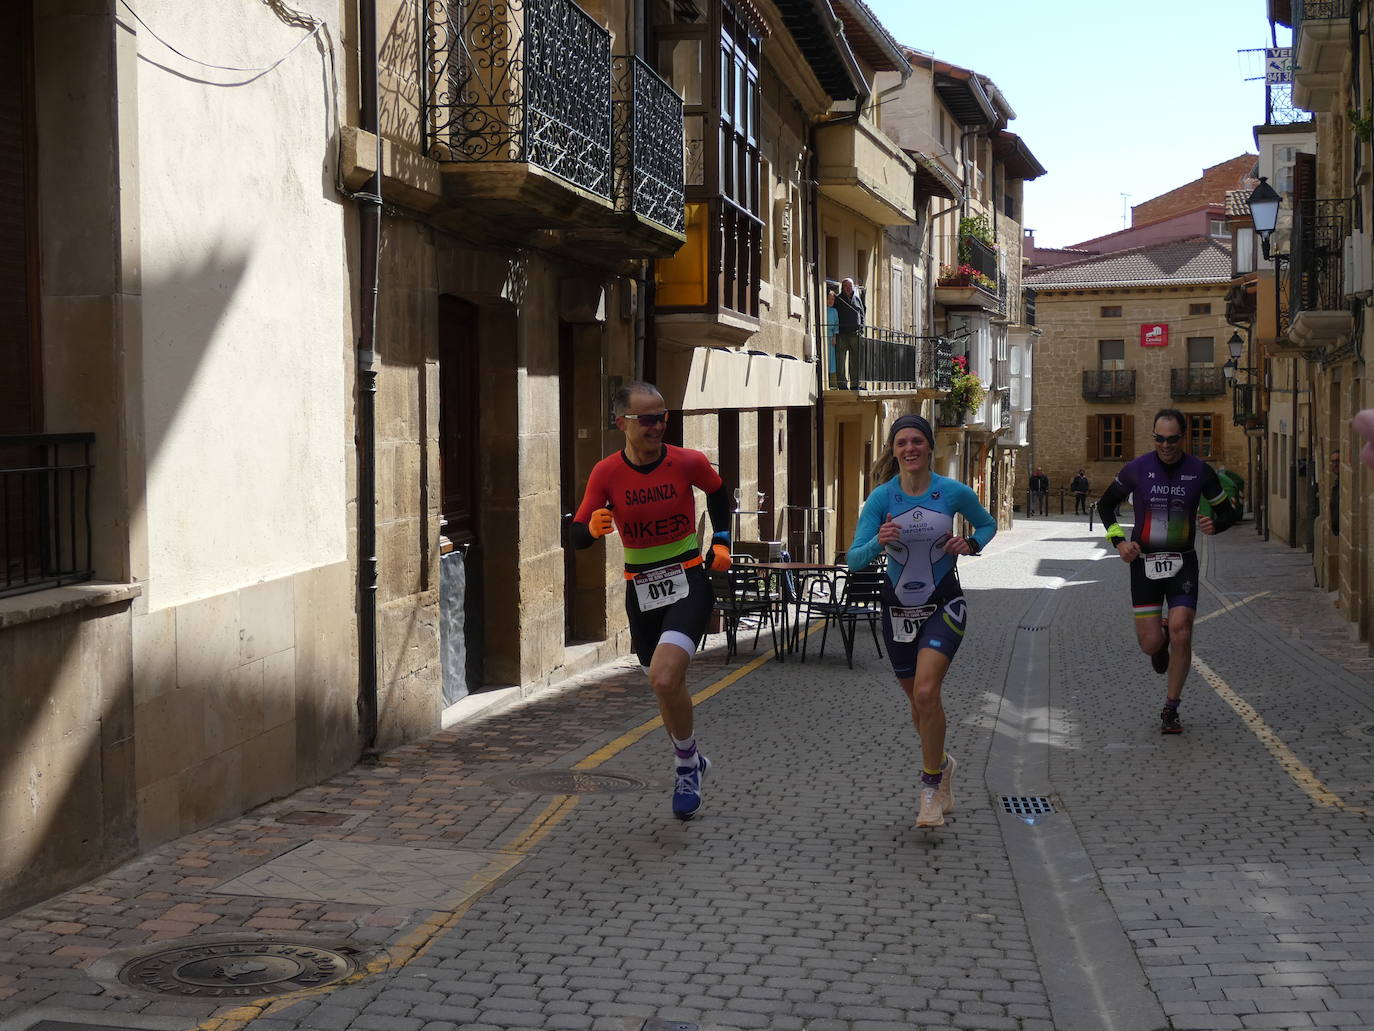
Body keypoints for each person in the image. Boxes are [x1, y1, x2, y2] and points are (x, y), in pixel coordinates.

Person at [570, 381, 734, 820]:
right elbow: (574, 534)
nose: (657, 425)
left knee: (664, 679)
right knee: (665, 688)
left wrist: (720, 540)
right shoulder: (606, 473)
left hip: (687, 580)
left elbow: (718, 491)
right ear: (621, 423)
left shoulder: (688, 462)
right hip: (641, 591)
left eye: (662, 416)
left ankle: (685, 767)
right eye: (647, 418)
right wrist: (590, 528)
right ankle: (694, 758)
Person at [845, 414, 997, 830]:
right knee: (919, 704)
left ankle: (929, 790)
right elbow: (853, 560)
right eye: (902, 443)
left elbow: (987, 523)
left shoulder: (951, 492)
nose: (909, 449)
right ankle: (944, 764)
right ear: (893, 451)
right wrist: (879, 541)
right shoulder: (881, 499)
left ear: (929, 448)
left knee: (928, 692)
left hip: (944, 604)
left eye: (917, 441)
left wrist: (970, 544)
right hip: (896, 611)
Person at [1095, 408, 1240, 734]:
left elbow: (1228, 513)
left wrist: (1214, 524)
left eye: (1172, 439)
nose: (1165, 445)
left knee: (1182, 629)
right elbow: (1105, 507)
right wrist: (1119, 543)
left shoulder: (1200, 472)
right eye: (1159, 439)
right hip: (1144, 562)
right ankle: (1157, 643)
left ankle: (1171, 708)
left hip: (1182, 562)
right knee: (1150, 644)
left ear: (1183, 438)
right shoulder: (1137, 469)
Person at [830, 277, 864, 390]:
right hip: (841, 334)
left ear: (853, 287)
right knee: (840, 360)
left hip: (855, 334)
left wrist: (862, 329)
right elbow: (834, 315)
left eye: (850, 286)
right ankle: (842, 384)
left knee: (855, 361)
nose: (848, 289)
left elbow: (862, 313)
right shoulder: (838, 299)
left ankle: (855, 384)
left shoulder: (857, 299)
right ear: (842, 287)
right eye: (846, 286)